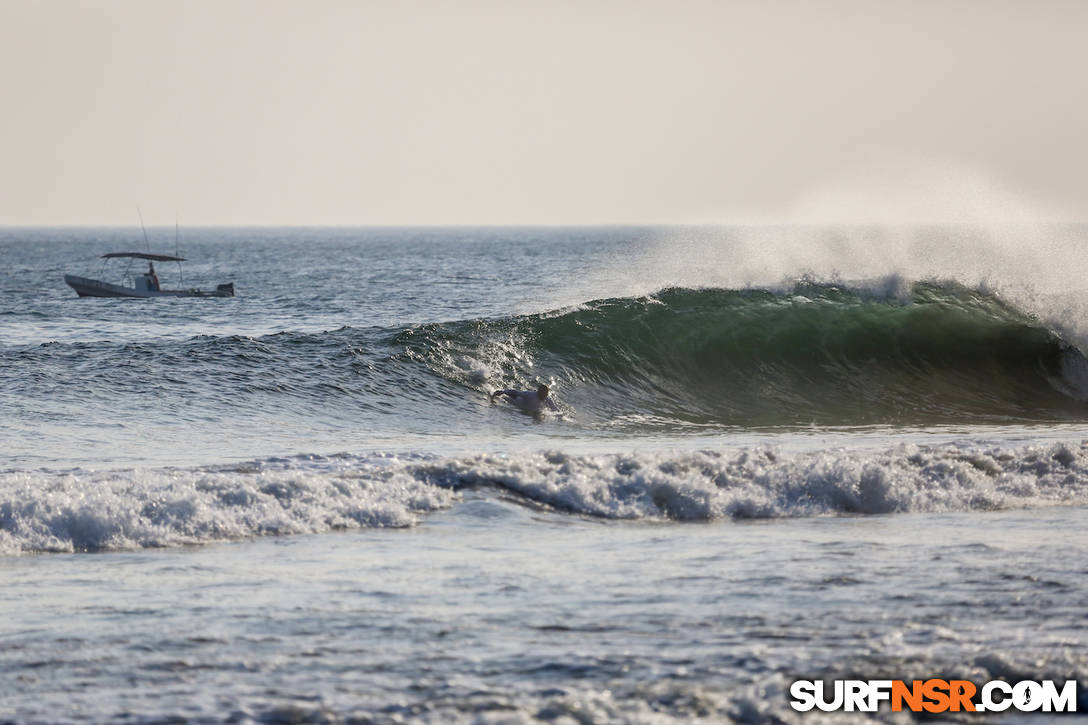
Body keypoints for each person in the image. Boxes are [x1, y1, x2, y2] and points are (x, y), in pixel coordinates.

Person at [490, 383, 558, 413]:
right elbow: (516, 392)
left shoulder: (547, 399)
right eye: (544, 394)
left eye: (546, 394)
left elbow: (555, 409)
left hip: (526, 408)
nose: (545, 396)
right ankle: (494, 391)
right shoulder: (530, 395)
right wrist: (503, 392)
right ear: (539, 392)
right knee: (504, 397)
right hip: (516, 400)